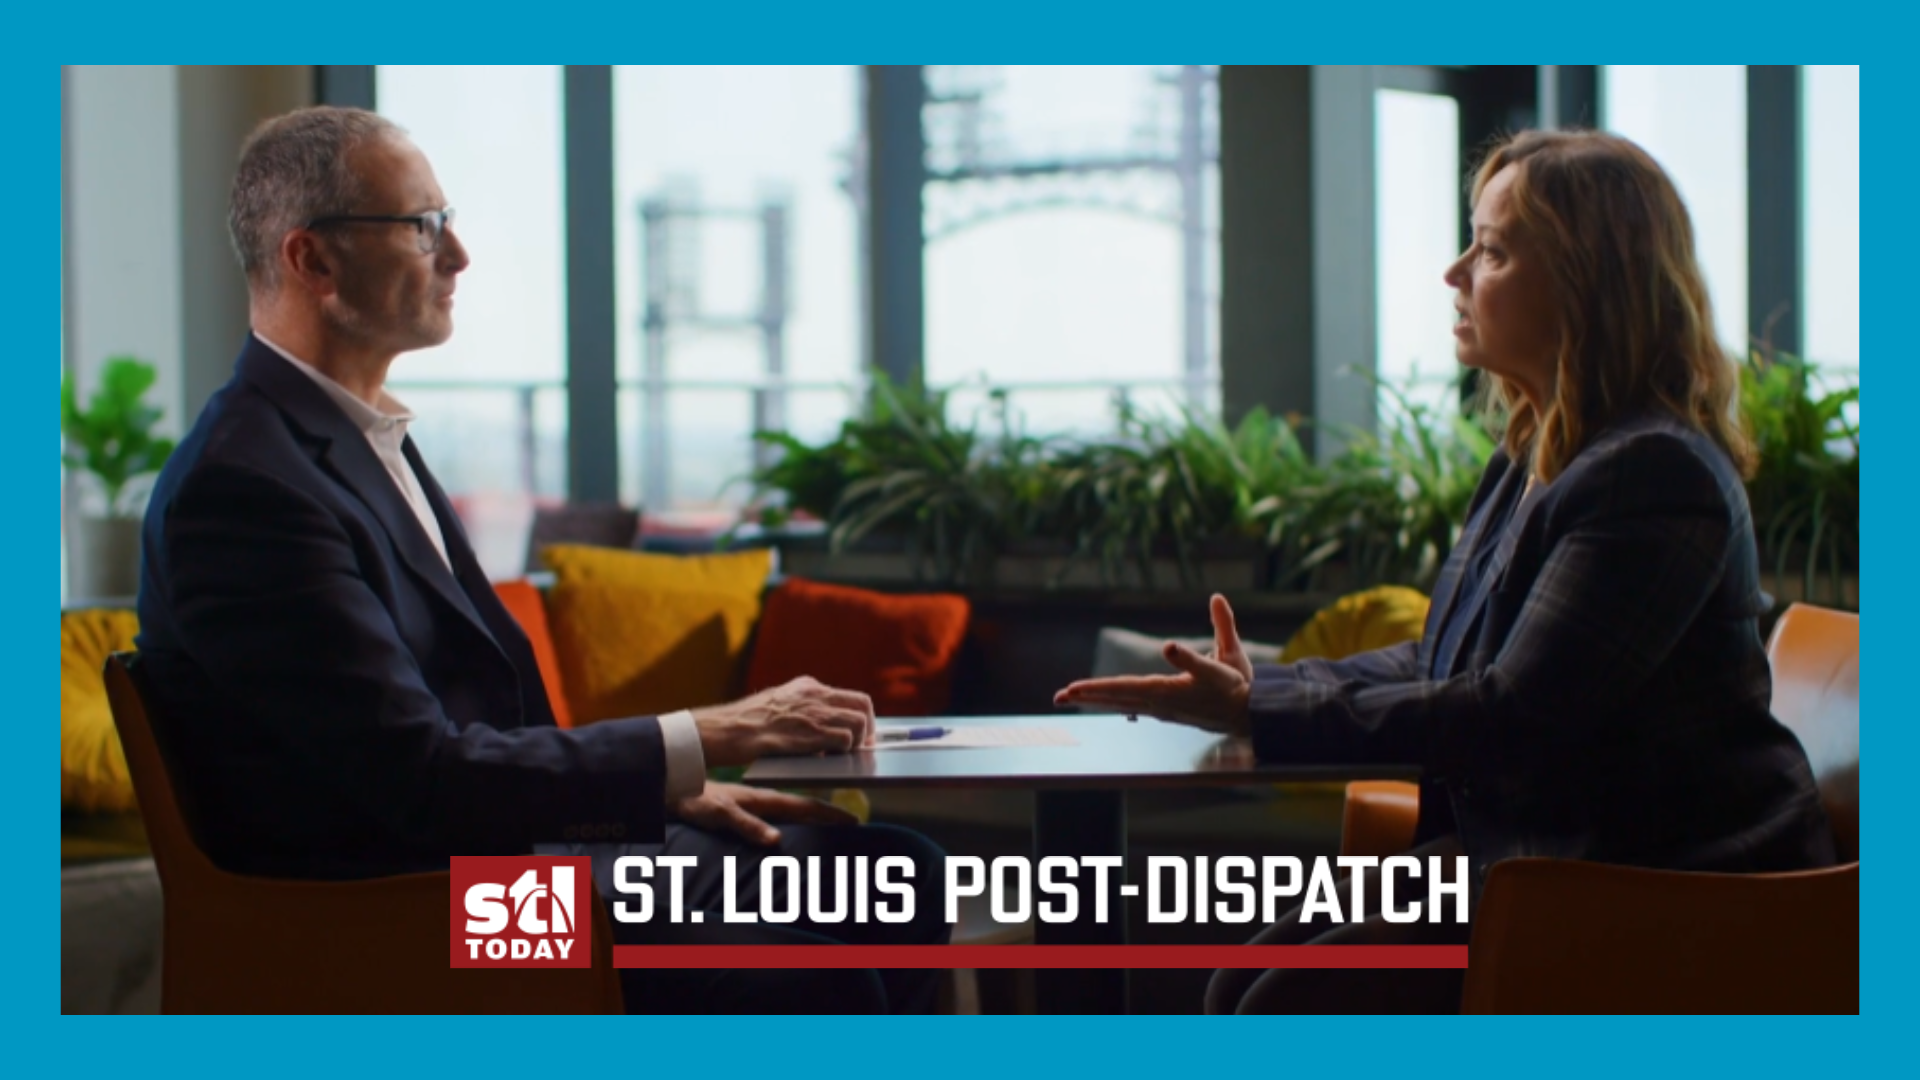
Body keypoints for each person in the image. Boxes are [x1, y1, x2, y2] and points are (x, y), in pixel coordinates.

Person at [134, 106, 949, 1015]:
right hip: (419, 910)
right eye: (422, 226)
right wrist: (704, 736)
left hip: (504, 870)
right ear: (312, 260)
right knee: (811, 970)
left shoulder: (352, 440)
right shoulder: (245, 488)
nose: (458, 255)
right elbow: (418, 780)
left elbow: (480, 729)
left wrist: (662, 795)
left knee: (891, 875)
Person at [1054, 129, 1837, 1014]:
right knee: (1241, 979)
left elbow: (1511, 715)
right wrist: (1257, 691)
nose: (1455, 272)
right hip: (1544, 855)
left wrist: (1259, 712)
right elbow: (1442, 659)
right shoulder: (1534, 452)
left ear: (1586, 283)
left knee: (1280, 1002)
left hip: (1659, 886)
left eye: (1492, 251)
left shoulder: (1653, 473)